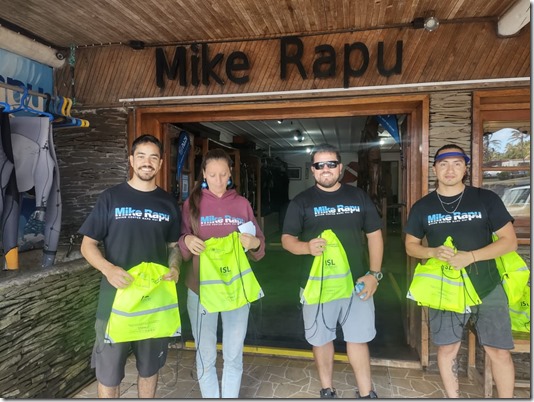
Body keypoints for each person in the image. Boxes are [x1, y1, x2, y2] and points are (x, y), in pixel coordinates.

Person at [404, 144, 517, 398]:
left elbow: (509, 242)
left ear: (465, 168)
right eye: (443, 164)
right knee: (447, 350)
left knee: (498, 351)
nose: (450, 170)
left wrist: (471, 257)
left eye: (457, 164)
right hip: (445, 289)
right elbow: (410, 246)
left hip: (487, 286)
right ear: (434, 169)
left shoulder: (486, 199)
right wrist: (432, 252)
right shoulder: (422, 207)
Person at [79, 134, 182, 398]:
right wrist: (108, 269)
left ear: (160, 163)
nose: (147, 162)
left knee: (149, 369)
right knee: (109, 374)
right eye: (141, 156)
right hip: (114, 301)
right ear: (132, 160)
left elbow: (173, 247)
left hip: (153, 302)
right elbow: (87, 245)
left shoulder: (168, 203)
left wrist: (175, 267)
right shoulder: (111, 198)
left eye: (153, 157)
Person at [281, 143, 384, 399]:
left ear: (340, 168)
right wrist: (306, 247)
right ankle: (327, 389)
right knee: (321, 339)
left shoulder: (359, 197)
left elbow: (374, 235)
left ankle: (366, 392)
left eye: (331, 164)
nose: (325, 169)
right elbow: (287, 240)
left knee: (358, 339)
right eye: (319, 165)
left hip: (357, 284)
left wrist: (374, 274)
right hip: (317, 285)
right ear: (313, 170)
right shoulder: (301, 202)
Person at [178, 148, 265, 398]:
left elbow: (259, 245)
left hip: (235, 290)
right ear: (204, 174)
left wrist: (254, 243)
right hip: (201, 290)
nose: (218, 180)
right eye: (213, 174)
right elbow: (180, 242)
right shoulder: (192, 204)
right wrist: (187, 241)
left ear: (230, 174)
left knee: (233, 355)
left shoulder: (241, 204)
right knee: (205, 355)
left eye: (223, 174)